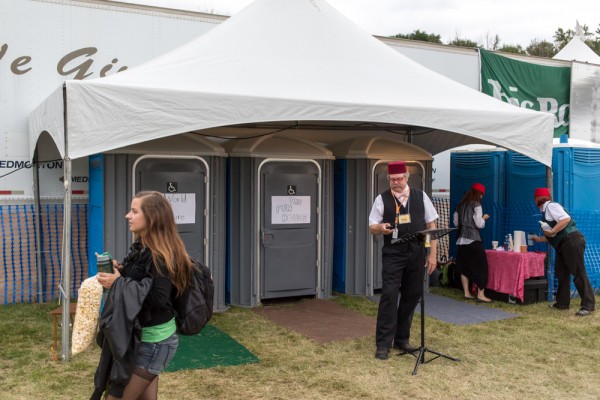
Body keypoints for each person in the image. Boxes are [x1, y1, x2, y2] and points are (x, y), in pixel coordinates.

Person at [93, 191, 194, 399]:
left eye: (134, 211)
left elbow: (158, 298)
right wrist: (120, 270)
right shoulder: (143, 247)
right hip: (140, 338)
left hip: (153, 343)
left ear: (152, 217)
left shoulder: (161, 254)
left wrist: (118, 283)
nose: (127, 215)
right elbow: (141, 282)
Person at [369, 161, 438, 360]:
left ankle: (402, 338)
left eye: (399, 179)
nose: (396, 183)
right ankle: (383, 343)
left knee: (412, 295)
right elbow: (371, 226)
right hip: (393, 253)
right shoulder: (382, 199)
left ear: (407, 178)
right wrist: (380, 228)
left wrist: (432, 254)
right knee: (389, 295)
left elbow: (431, 224)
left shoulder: (420, 196)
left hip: (416, 252)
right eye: (392, 180)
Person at [531, 188, 595, 316]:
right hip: (565, 243)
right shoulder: (546, 210)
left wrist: (553, 231)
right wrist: (539, 239)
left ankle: (588, 305)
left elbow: (565, 219)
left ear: (538, 198)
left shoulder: (550, 206)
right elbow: (554, 234)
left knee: (578, 272)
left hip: (571, 241)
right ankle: (562, 303)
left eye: (535, 198)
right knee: (561, 272)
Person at [453, 182, 492, 303]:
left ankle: (466, 293)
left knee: (464, 267)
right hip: (473, 240)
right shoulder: (477, 205)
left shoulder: (459, 205)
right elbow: (479, 224)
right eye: (481, 195)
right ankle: (481, 294)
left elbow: (455, 223)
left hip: (461, 240)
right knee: (482, 267)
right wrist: (484, 218)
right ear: (479, 194)